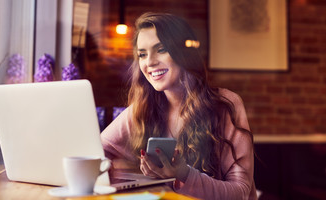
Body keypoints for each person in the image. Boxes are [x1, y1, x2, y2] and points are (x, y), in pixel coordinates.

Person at [101, 12, 257, 200]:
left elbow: (241, 193)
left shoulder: (226, 105)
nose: (149, 62)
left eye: (161, 49)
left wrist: (185, 174)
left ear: (183, 53)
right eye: (142, 54)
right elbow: (96, 150)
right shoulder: (142, 108)